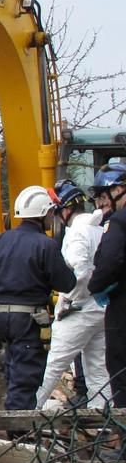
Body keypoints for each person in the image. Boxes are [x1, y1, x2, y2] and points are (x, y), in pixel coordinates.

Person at [0, 185, 76, 410]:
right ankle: (20, 434)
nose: (53, 218)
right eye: (51, 213)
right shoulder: (45, 245)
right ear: (44, 214)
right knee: (26, 377)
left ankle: (14, 421)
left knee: (13, 368)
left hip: (0, 318)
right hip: (29, 320)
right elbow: (66, 283)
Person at [35, 180, 108, 410]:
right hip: (100, 309)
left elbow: (81, 271)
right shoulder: (97, 228)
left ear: (65, 209)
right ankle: (103, 424)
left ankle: (26, 415)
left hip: (79, 311)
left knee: (52, 367)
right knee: (99, 371)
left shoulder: (77, 232)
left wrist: (71, 300)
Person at [89, 163, 126, 406]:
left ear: (119, 190)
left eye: (104, 196)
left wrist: (96, 287)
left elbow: (110, 261)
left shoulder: (120, 222)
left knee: (121, 370)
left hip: (123, 309)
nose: (101, 204)